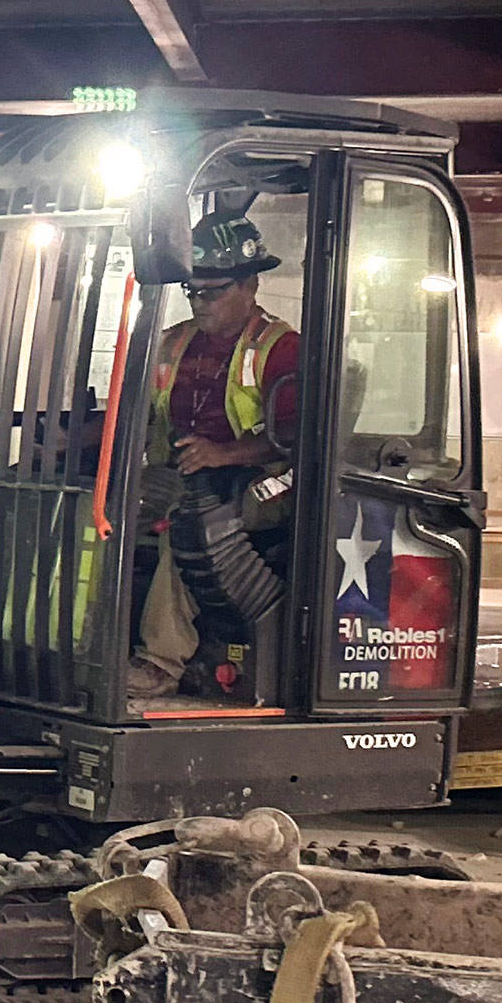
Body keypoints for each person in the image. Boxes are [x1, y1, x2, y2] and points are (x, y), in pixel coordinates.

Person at [132, 213, 300, 697]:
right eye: (192, 291)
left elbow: (296, 438)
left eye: (213, 291)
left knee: (188, 521)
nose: (199, 302)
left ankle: (162, 660)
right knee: (102, 511)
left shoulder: (280, 348)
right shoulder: (174, 342)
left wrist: (224, 454)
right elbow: (136, 414)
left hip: (268, 477)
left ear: (251, 284)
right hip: (186, 470)